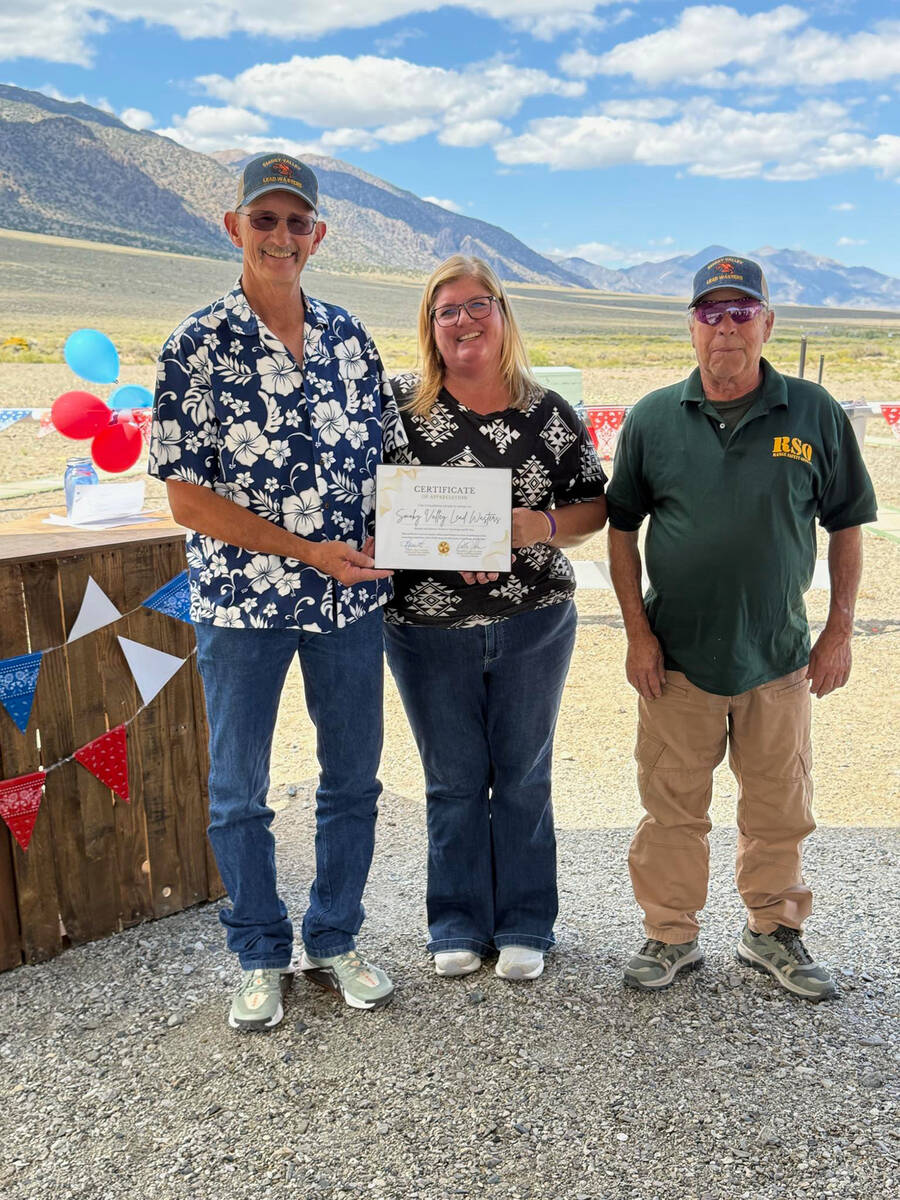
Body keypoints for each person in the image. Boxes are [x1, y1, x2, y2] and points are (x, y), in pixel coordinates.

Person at [148, 153, 406, 1030]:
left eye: (297, 222)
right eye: (265, 219)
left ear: (318, 236)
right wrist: (306, 551)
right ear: (235, 227)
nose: (282, 237)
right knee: (238, 790)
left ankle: (334, 938)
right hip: (241, 604)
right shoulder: (194, 346)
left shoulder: (351, 339)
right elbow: (186, 497)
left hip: (349, 603)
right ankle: (259, 952)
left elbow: (389, 462)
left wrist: (396, 536)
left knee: (353, 781)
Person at [606, 255, 877, 1001]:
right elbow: (622, 529)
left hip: (778, 658)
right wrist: (637, 635)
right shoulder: (654, 418)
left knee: (779, 809)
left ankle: (773, 932)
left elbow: (848, 524)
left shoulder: (814, 412)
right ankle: (670, 934)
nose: (725, 326)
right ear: (691, 326)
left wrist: (839, 631)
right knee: (671, 808)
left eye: (740, 311)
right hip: (677, 660)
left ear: (767, 323)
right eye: (709, 312)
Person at [384, 255, 607, 982]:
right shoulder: (398, 409)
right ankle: (455, 922)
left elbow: (595, 505)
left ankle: (525, 925)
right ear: (430, 326)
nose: (464, 320)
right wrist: (435, 547)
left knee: (522, 777)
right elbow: (371, 503)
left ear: (503, 313)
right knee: (451, 780)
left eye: (478, 304)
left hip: (532, 623)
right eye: (446, 310)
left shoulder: (548, 412)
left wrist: (538, 526)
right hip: (426, 629)